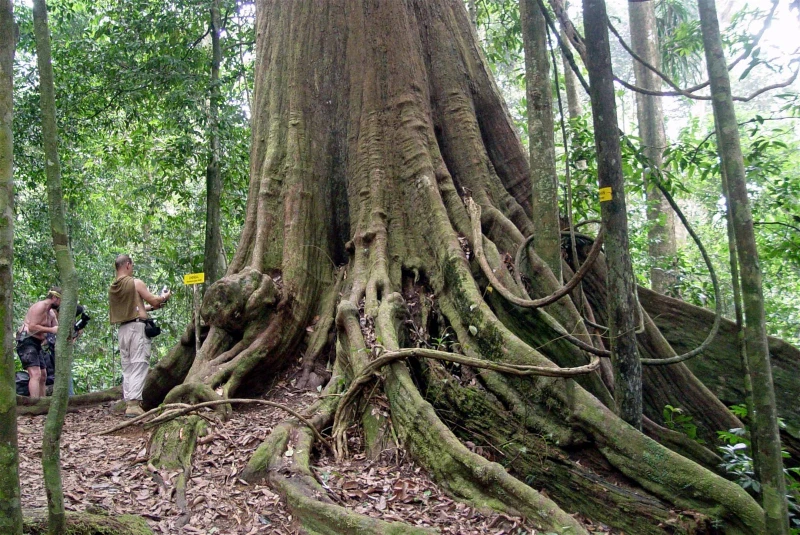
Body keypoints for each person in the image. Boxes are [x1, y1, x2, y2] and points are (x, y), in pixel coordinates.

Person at [108, 254, 171, 417]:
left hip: (123, 330)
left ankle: (129, 401)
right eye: (132, 266)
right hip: (136, 329)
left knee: (127, 366)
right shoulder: (135, 283)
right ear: (127, 265)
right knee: (139, 363)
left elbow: (135, 307)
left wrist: (148, 309)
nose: (133, 269)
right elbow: (155, 301)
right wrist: (164, 296)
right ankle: (134, 404)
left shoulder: (113, 288)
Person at [16, 287, 61, 398]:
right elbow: (32, 327)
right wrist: (51, 330)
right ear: (54, 298)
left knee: (43, 375)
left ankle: (42, 403)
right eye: (60, 300)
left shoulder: (51, 313)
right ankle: (34, 404)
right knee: (35, 374)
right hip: (26, 341)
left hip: (37, 344)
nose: (61, 303)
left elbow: (57, 327)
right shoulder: (40, 306)